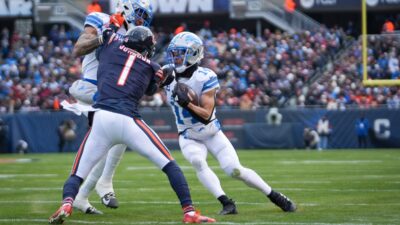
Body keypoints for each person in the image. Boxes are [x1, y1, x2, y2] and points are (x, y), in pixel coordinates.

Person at [49, 26, 215, 224]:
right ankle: (188, 212)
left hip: (101, 117)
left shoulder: (111, 43)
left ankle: (67, 203)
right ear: (146, 46)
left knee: (77, 173)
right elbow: (150, 91)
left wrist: (103, 36)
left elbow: (84, 47)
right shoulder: (152, 66)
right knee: (170, 165)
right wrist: (163, 79)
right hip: (128, 119)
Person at [163, 32, 296, 215]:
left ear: (193, 54)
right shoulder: (166, 72)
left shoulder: (205, 76)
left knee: (234, 170)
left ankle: (274, 195)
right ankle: (226, 202)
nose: (175, 58)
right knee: (197, 161)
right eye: (174, 53)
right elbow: (147, 87)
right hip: (188, 134)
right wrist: (157, 80)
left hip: (211, 132)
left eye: (180, 53)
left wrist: (187, 103)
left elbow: (207, 115)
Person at [61, 0, 153, 214]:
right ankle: (98, 186)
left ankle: (85, 194)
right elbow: (78, 49)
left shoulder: (137, 34)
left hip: (113, 91)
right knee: (119, 129)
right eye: (140, 14)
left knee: (114, 139)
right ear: (127, 9)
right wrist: (105, 35)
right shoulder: (102, 20)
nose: (143, 21)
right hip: (94, 88)